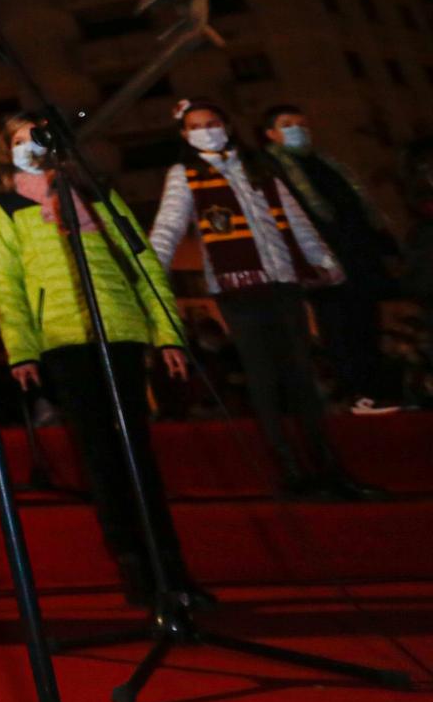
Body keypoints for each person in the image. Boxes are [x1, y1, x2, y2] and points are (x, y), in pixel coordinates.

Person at [0, 113, 209, 607]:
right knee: (99, 454)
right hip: (63, 339)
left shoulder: (97, 194)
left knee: (137, 451)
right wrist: (21, 349)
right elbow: (8, 283)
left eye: (37, 138)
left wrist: (169, 335)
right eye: (19, 140)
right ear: (7, 150)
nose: (29, 147)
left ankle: (170, 568)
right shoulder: (7, 208)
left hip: (121, 328)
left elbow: (142, 260)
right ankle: (132, 563)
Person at [149, 99, 383, 500]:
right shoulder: (184, 174)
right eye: (196, 126)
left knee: (301, 378)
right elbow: (169, 225)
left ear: (227, 125)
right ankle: (289, 471)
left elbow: (295, 219)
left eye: (213, 122)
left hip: (283, 281)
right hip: (237, 288)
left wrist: (325, 260)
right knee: (263, 379)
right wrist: (149, 269)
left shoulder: (258, 166)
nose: (207, 129)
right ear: (185, 135)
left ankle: (328, 468)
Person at [260, 104, 401, 413]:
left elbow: (359, 207)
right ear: (271, 134)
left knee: (367, 324)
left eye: (301, 123)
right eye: (287, 124)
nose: (297, 129)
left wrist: (383, 246)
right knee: (340, 326)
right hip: (321, 261)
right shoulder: (272, 168)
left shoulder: (327, 163)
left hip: (358, 257)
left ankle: (375, 389)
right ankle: (357, 392)